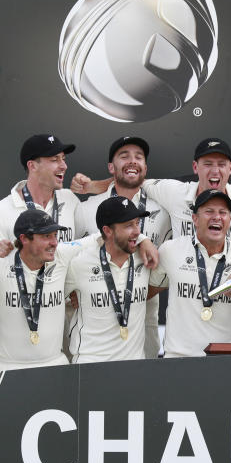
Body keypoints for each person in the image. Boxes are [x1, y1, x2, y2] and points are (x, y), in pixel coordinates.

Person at [0, 210, 157, 371]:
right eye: (46, 236)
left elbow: (101, 236)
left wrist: (144, 239)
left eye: (54, 235)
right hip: (6, 368)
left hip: (54, 366)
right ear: (24, 239)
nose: (54, 242)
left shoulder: (62, 254)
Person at [73, 136, 171, 358]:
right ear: (111, 167)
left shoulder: (163, 208)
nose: (132, 161)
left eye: (139, 157)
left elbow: (172, 261)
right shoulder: (87, 209)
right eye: (124, 156)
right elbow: (68, 254)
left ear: (145, 167)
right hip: (96, 329)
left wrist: (142, 291)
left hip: (144, 321)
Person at [147, 189, 231, 357]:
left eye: (223, 212)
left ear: (230, 220)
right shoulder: (170, 250)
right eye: (209, 211)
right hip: (177, 359)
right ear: (195, 219)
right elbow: (147, 292)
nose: (217, 217)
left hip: (223, 361)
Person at [65, 196, 155, 363]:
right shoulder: (79, 263)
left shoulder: (146, 257)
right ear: (107, 230)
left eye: (137, 223)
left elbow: (160, 283)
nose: (137, 231)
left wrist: (146, 241)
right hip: (89, 368)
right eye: (128, 225)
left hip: (134, 367)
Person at [0, 133, 80, 248]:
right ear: (32, 166)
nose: (64, 166)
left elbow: (86, 244)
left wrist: (94, 186)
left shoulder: (70, 199)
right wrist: (3, 255)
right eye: (55, 160)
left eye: (63, 159)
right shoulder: (0, 214)